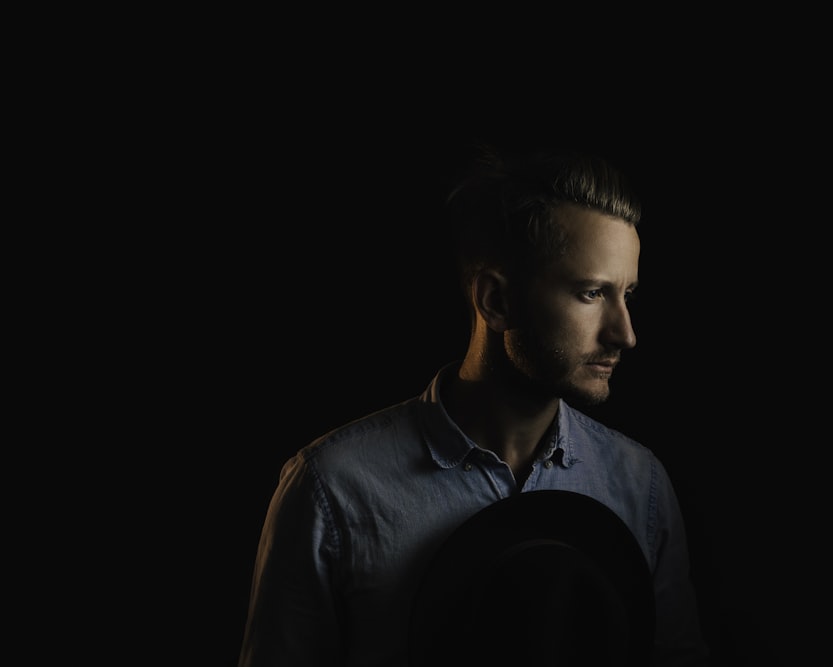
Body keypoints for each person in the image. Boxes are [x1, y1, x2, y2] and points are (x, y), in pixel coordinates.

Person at [238, 141, 711, 666]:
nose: (625, 333)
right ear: (496, 300)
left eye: (629, 294)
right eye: (591, 293)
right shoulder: (332, 488)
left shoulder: (639, 485)